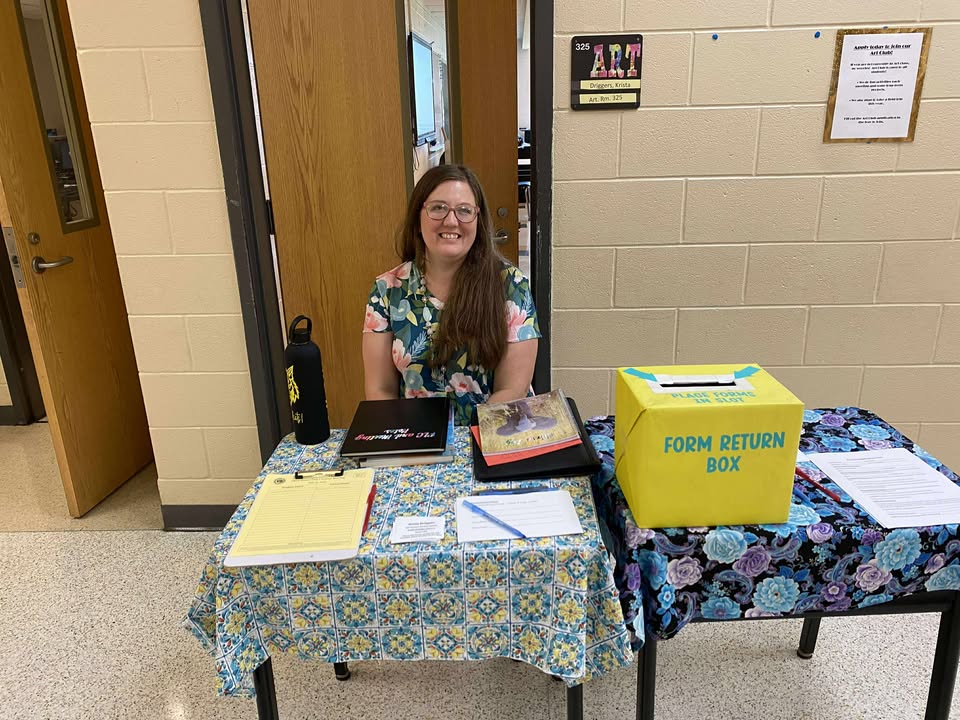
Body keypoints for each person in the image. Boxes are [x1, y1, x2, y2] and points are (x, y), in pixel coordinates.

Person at [362, 164, 540, 426]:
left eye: (464, 210)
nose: (451, 221)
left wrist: (469, 442)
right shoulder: (386, 290)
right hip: (415, 437)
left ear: (478, 220)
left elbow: (512, 389)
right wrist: (409, 440)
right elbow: (380, 390)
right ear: (418, 217)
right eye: (438, 208)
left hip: (494, 431)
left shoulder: (513, 286)